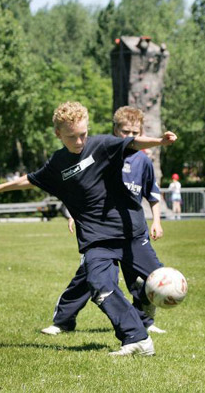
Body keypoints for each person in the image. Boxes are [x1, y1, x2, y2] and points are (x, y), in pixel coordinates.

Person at [0, 101, 177, 356]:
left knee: (156, 280)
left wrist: (159, 141)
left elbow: (133, 143)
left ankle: (146, 307)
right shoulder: (58, 163)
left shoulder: (102, 145)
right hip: (96, 239)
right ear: (58, 134)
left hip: (129, 233)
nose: (80, 141)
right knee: (99, 286)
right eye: (72, 137)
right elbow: (30, 179)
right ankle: (137, 338)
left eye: (83, 134)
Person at [40, 106, 167, 338]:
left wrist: (156, 221)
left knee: (141, 280)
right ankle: (63, 320)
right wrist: (72, 215)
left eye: (134, 132)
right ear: (115, 130)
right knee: (89, 277)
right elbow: (77, 187)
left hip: (130, 229)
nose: (129, 136)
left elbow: (152, 194)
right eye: (124, 131)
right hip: (99, 231)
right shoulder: (102, 153)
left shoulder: (143, 162)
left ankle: (144, 323)